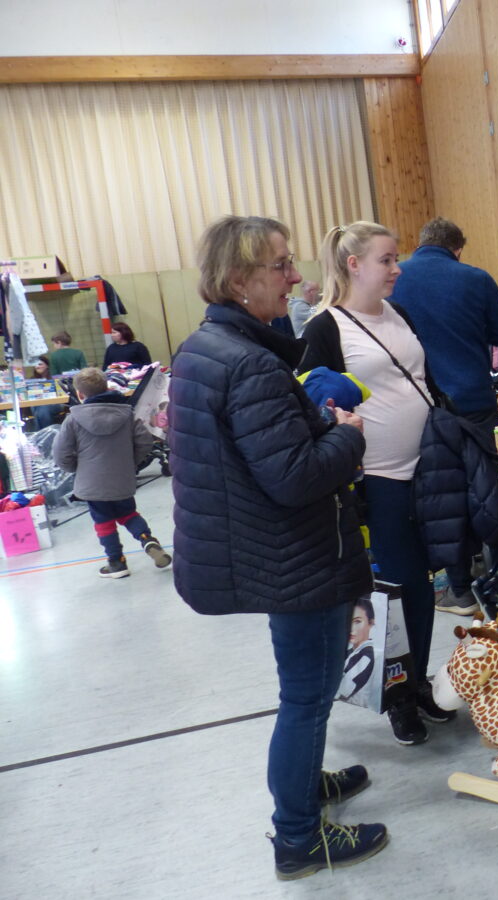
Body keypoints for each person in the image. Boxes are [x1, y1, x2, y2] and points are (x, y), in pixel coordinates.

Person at [168, 214, 387, 879]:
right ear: (239, 281)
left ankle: (302, 787)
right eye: (282, 266)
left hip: (269, 553)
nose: (296, 278)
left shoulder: (210, 349)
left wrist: (313, 422)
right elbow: (295, 478)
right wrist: (347, 433)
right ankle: (298, 837)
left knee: (304, 694)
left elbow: (262, 454)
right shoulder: (249, 364)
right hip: (293, 558)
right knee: (307, 698)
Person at [300, 220, 455, 748]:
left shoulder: (399, 313)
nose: (397, 268)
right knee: (394, 587)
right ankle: (398, 697)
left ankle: (418, 681)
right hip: (378, 479)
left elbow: (423, 380)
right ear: (354, 264)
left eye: (395, 258)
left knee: (425, 584)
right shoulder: (326, 327)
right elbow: (310, 402)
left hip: (427, 469)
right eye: (387, 260)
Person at [390, 217, 498, 614]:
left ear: (421, 242)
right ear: (457, 248)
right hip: (472, 400)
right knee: (487, 487)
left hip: (421, 406)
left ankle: (459, 587)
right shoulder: (475, 278)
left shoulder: (396, 277)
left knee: (441, 496)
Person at [51, 366, 172, 578]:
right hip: (122, 479)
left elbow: (61, 453)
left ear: (80, 394)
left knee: (103, 521)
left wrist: (76, 470)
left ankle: (117, 562)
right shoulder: (127, 414)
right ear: (107, 386)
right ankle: (147, 540)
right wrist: (130, 463)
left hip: (91, 483)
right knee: (128, 513)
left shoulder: (73, 419)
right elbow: (144, 442)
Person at [337, 597, 378, 705]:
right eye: (347, 620)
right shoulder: (351, 650)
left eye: (357, 621)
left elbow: (341, 691)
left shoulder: (366, 656)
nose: (351, 628)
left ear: (371, 623)